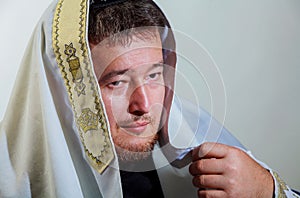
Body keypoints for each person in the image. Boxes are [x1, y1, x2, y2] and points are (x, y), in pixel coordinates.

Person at [0, 0, 298, 197]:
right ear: (63, 89)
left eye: (154, 75)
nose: (144, 105)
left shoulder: (195, 144)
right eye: (116, 82)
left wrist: (265, 189)